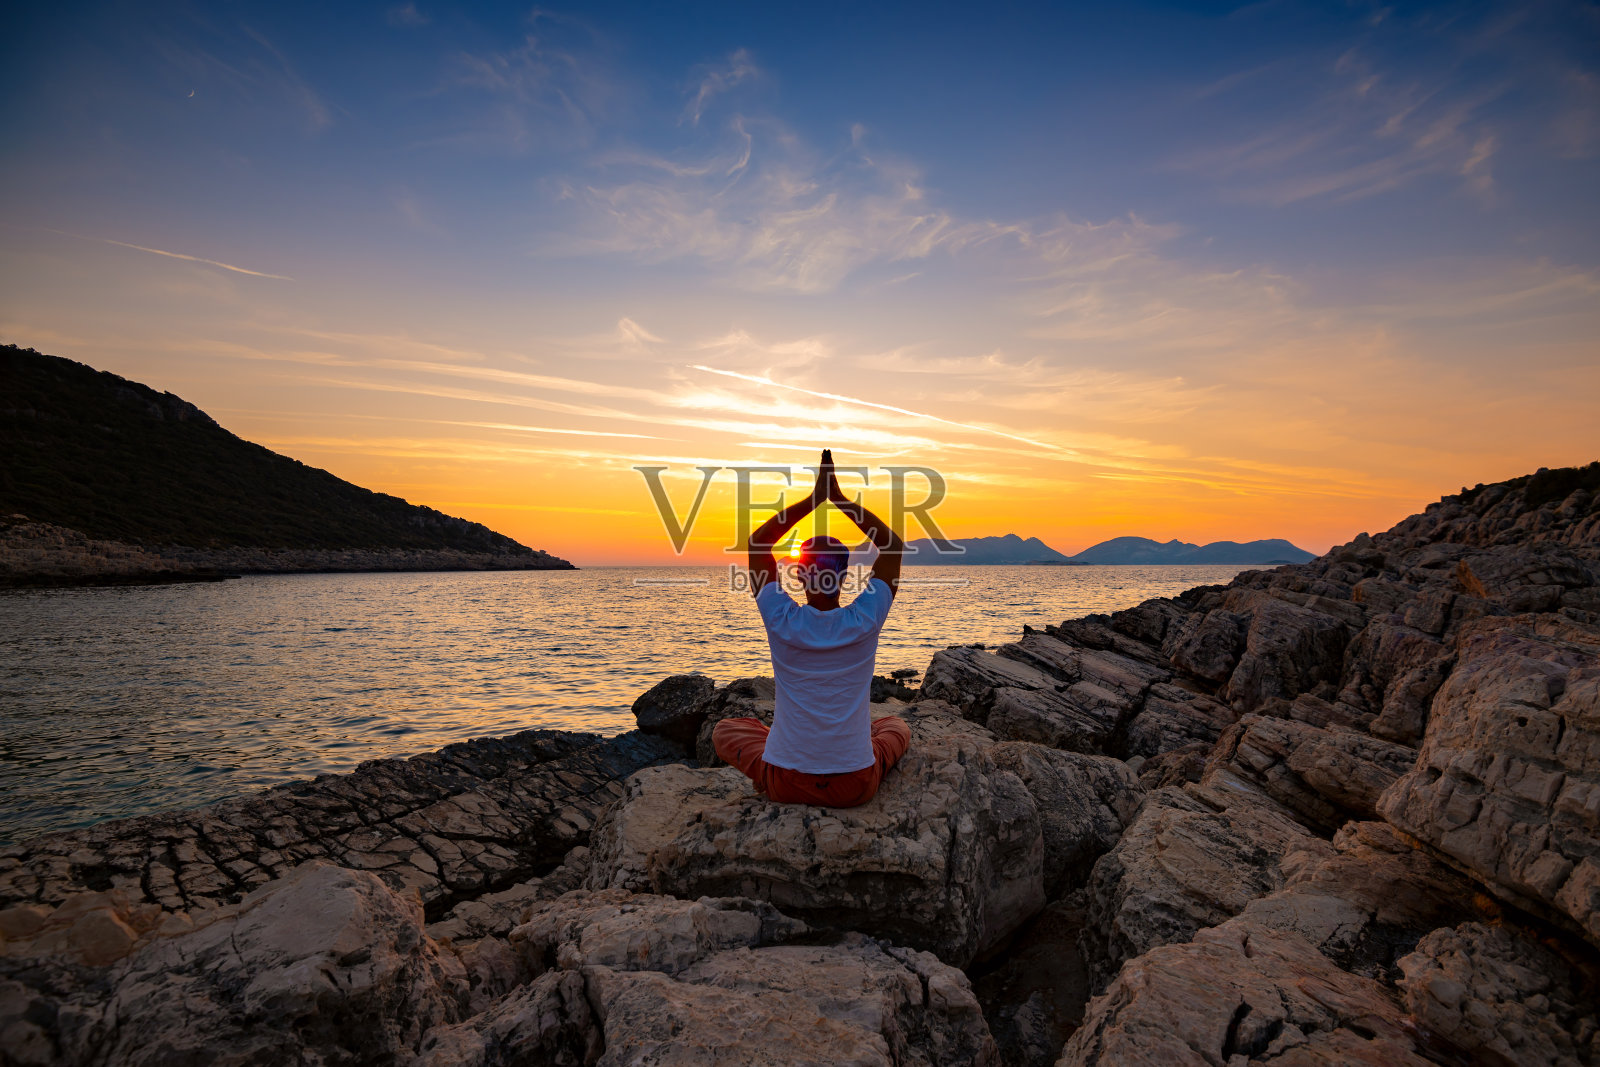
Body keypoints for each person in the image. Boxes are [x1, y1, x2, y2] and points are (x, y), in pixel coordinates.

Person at [712, 449, 911, 807]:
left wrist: (813, 500)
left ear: (799, 574)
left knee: (726, 729)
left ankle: (790, 752)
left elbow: (759, 543)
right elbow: (892, 545)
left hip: (786, 783)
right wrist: (839, 500)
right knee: (896, 727)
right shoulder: (866, 619)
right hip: (855, 785)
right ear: (846, 575)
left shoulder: (780, 619)